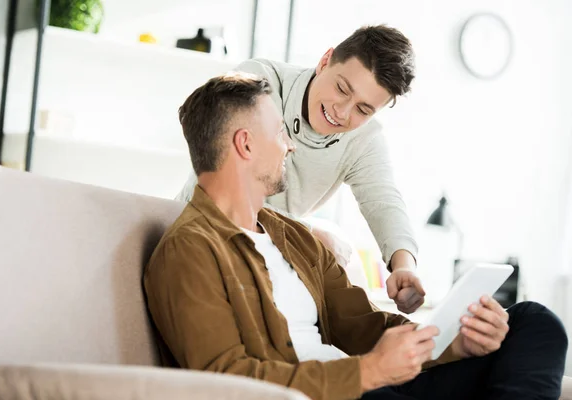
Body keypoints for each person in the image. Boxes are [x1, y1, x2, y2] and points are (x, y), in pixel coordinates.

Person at [144, 73, 568, 400]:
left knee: (535, 323)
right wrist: (367, 373)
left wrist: (457, 344)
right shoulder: (190, 249)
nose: (290, 146)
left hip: (371, 385)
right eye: (279, 133)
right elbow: (226, 381)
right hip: (333, 392)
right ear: (245, 144)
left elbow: (364, 327)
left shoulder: (293, 237)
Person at [176, 25, 426, 314]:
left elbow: (384, 202)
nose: (342, 112)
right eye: (342, 88)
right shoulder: (258, 83)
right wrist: (307, 232)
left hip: (268, 266)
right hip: (203, 240)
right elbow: (226, 192)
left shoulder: (365, 139)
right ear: (325, 60)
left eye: (363, 110)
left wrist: (404, 266)